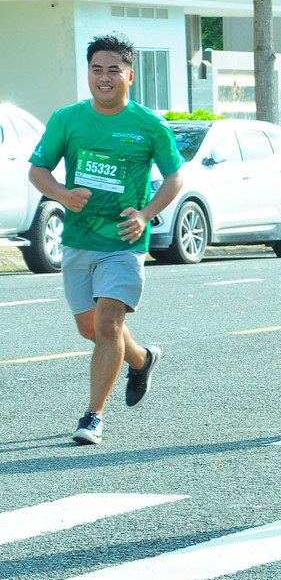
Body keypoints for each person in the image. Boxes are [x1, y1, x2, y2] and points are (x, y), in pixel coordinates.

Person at [27, 33, 185, 445]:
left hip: (123, 240)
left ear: (130, 75)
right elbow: (38, 170)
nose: (104, 77)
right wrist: (62, 194)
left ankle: (93, 415)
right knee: (92, 330)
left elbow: (175, 177)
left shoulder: (149, 126)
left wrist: (147, 214)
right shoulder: (68, 119)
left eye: (114, 69)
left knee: (110, 322)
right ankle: (142, 358)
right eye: (97, 69)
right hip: (79, 240)